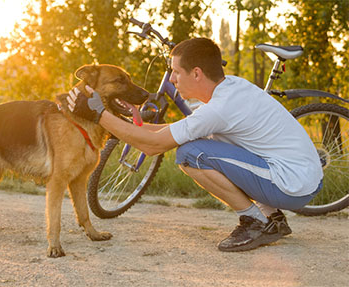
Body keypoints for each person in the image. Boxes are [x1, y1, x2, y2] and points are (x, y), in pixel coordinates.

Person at [66, 38, 323, 252]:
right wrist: (119, 128)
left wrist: (99, 115)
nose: (174, 79)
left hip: (292, 185)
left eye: (176, 72)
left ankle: (255, 222)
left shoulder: (219, 109)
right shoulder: (229, 89)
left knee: (191, 153)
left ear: (197, 73)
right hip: (297, 176)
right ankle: (273, 219)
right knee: (197, 144)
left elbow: (154, 146)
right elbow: (166, 132)